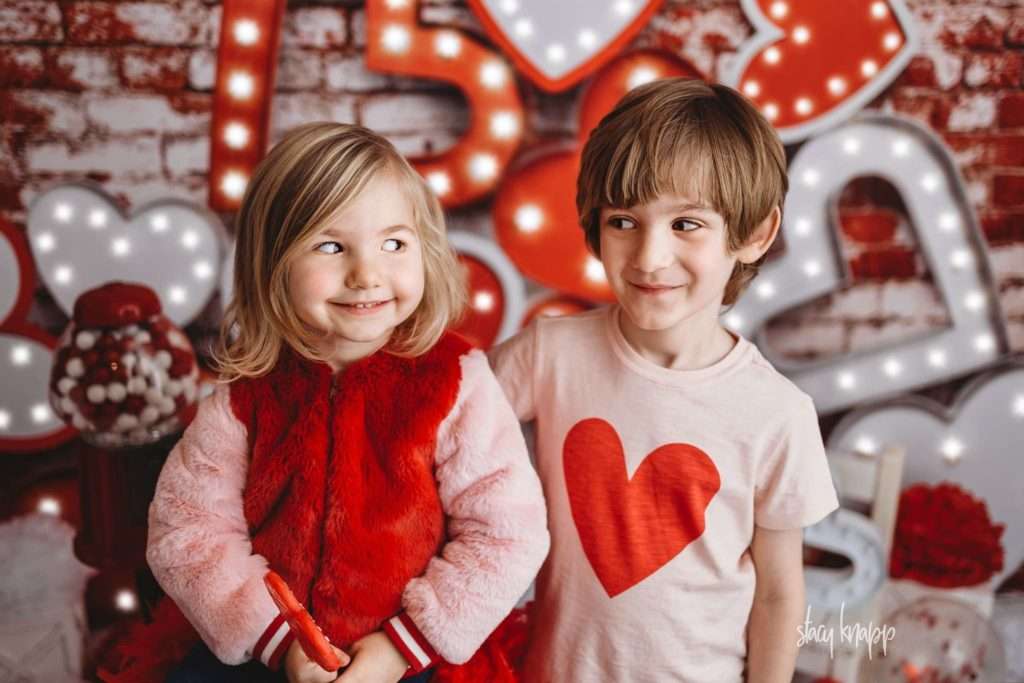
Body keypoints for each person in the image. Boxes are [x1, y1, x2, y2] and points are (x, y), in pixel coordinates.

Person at [102, 122, 549, 683]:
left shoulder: (457, 381)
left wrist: (401, 648)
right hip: (266, 653)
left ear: (425, 249)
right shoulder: (245, 395)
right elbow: (187, 530)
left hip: (415, 657)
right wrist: (279, 641)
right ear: (272, 264)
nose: (367, 274)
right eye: (331, 246)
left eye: (394, 244)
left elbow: (507, 532)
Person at [488, 78, 838, 682]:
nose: (649, 257)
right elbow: (438, 430)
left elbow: (780, 595)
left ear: (753, 234)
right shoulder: (551, 354)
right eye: (624, 221)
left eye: (686, 224)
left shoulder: (777, 413)